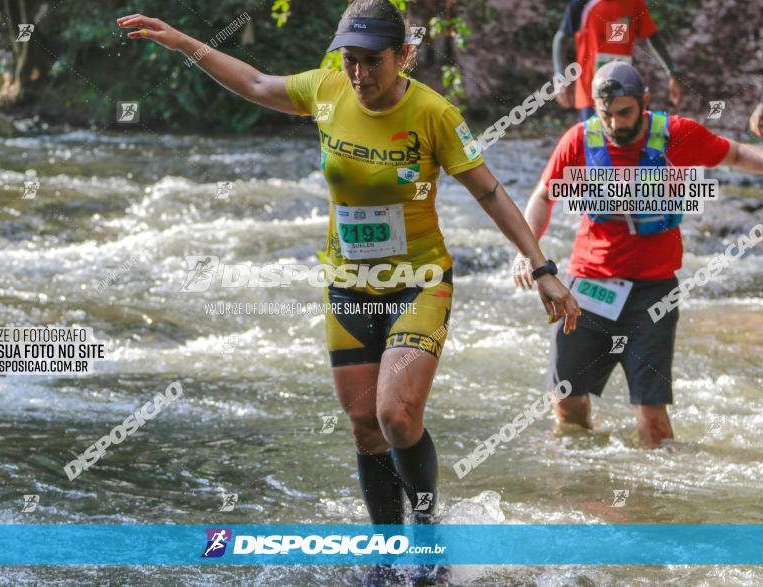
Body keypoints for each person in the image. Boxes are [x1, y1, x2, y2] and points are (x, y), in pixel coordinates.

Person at [119, 1, 580, 584]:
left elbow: (488, 192)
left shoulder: (433, 113)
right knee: (366, 426)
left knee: (397, 413)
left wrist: (541, 267)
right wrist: (185, 43)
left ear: (403, 55)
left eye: (372, 62)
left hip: (417, 282)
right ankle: (385, 556)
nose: (359, 74)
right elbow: (257, 82)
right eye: (350, 61)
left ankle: (428, 535)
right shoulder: (327, 91)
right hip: (348, 285)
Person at [514, 62, 763, 449]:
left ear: (645, 102)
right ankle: (585, 479)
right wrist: (526, 253)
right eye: (605, 113)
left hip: (653, 295)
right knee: (567, 402)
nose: (614, 122)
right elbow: (544, 197)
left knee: (652, 416)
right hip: (588, 289)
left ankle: (655, 500)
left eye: (624, 112)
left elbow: (736, 156)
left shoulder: (677, 135)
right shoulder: (579, 140)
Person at [552, 0, 683, 120]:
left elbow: (654, 38)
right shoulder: (581, 4)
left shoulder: (634, 3)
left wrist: (672, 73)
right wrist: (560, 77)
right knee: (593, 143)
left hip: (624, 90)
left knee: (629, 142)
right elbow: (560, 40)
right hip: (590, 93)